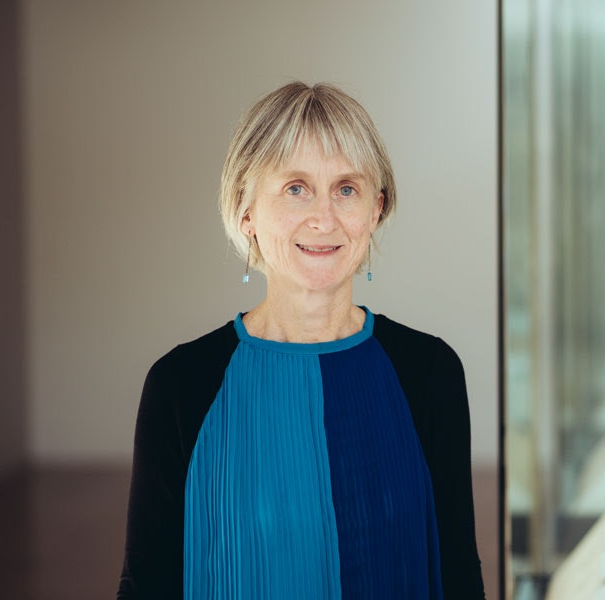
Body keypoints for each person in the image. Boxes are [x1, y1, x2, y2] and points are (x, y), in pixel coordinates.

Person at [117, 81, 486, 599]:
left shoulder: (430, 373)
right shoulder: (180, 385)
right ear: (245, 210)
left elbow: (460, 579)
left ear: (376, 209)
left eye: (346, 189)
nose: (323, 218)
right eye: (296, 188)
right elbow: (144, 588)